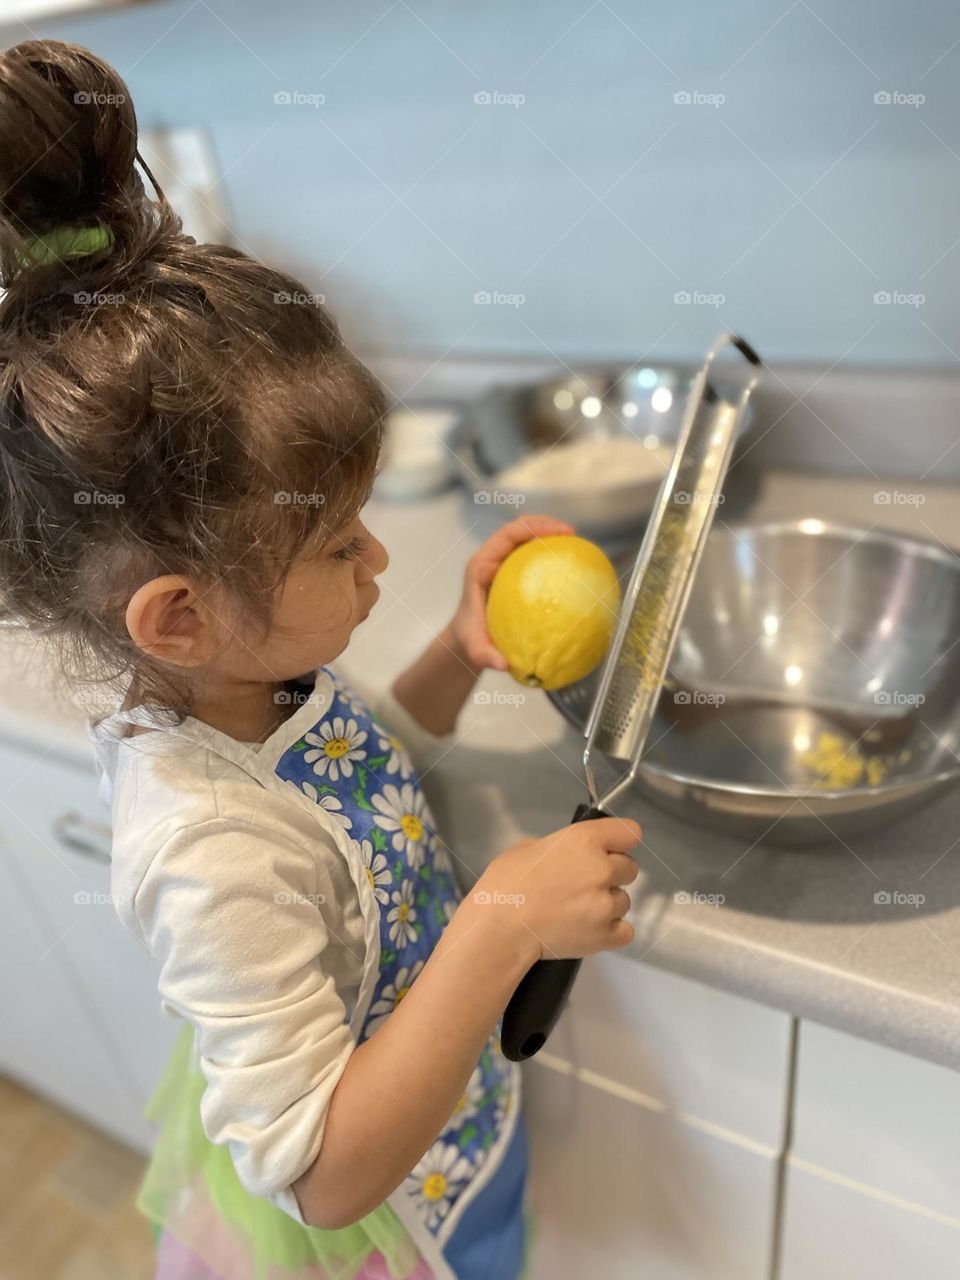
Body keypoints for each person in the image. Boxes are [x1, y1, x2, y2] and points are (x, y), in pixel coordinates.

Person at [0, 38, 642, 1280]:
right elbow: (318, 1168)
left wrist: (457, 657)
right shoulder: (205, 850)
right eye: (339, 543)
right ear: (177, 616)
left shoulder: (250, 684)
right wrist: (502, 919)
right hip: (373, 1223)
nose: (378, 567)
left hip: (450, 1134)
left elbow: (349, 773)